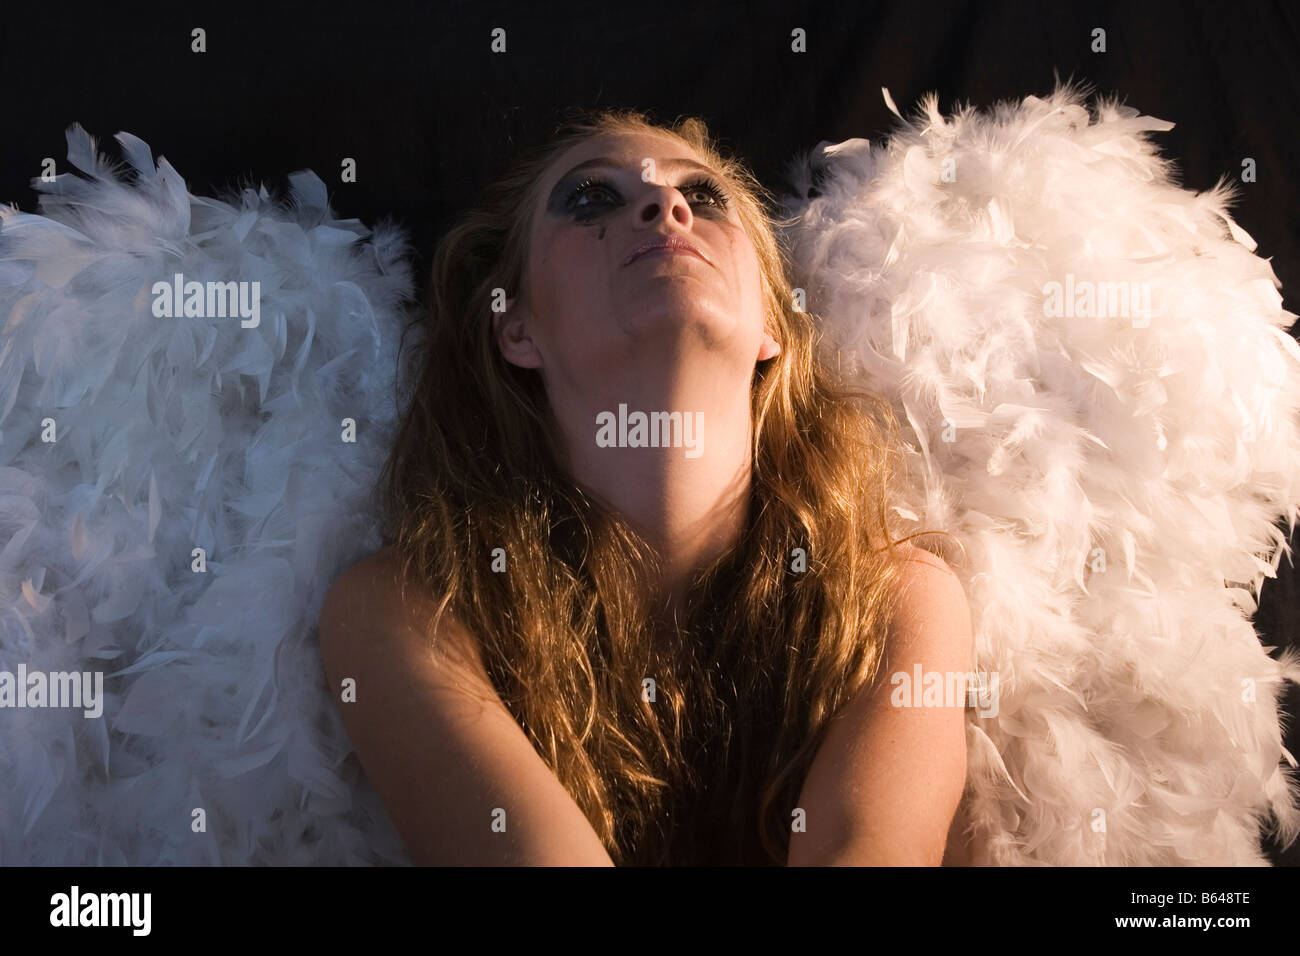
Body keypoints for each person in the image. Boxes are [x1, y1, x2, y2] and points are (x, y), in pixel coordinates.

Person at [318, 107, 974, 866]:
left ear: (771, 323)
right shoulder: (406, 609)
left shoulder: (896, 600)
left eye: (708, 195)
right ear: (516, 327)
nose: (668, 206)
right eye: (592, 199)